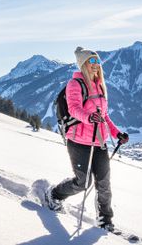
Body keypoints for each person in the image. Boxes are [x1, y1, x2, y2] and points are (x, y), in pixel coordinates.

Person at [42, 47, 129, 231]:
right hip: (79, 142)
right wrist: (89, 118)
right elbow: (74, 109)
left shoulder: (99, 86)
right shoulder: (76, 84)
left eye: (97, 62)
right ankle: (55, 195)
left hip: (99, 142)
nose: (96, 65)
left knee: (104, 183)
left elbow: (104, 116)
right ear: (83, 64)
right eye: (92, 62)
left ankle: (105, 220)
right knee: (83, 182)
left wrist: (117, 134)